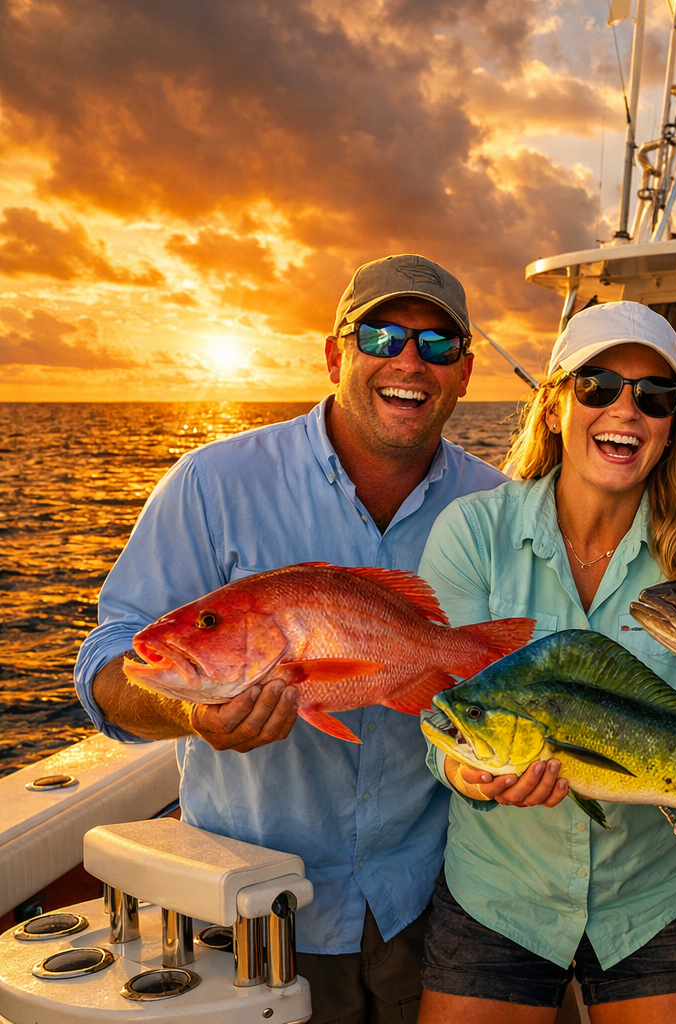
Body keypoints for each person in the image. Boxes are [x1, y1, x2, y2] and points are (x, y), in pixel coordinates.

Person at [74, 254, 504, 1024]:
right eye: (381, 334)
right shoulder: (211, 481)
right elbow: (111, 659)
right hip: (250, 911)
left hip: (433, 902)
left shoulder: (498, 505)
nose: (409, 360)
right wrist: (188, 715)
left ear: (465, 374)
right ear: (336, 354)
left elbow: (525, 676)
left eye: (437, 345)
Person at [413, 301, 676, 1024]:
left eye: (654, 396)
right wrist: (465, 769)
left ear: (674, 423)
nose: (626, 409)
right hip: (498, 895)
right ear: (554, 408)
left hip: (655, 898)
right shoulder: (472, 534)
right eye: (598, 386)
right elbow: (443, 713)